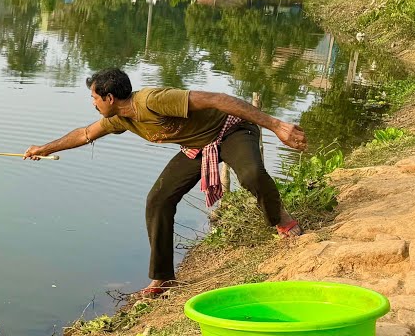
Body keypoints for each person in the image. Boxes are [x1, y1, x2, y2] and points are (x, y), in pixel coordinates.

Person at [24, 68, 306, 299]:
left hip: (231, 130)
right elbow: (85, 134)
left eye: (94, 98)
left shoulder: (154, 101)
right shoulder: (120, 119)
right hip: (197, 147)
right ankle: (163, 277)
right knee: (158, 200)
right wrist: (44, 148)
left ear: (109, 97)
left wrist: (277, 126)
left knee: (251, 175)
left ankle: (280, 218)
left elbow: (218, 99)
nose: (93, 104)